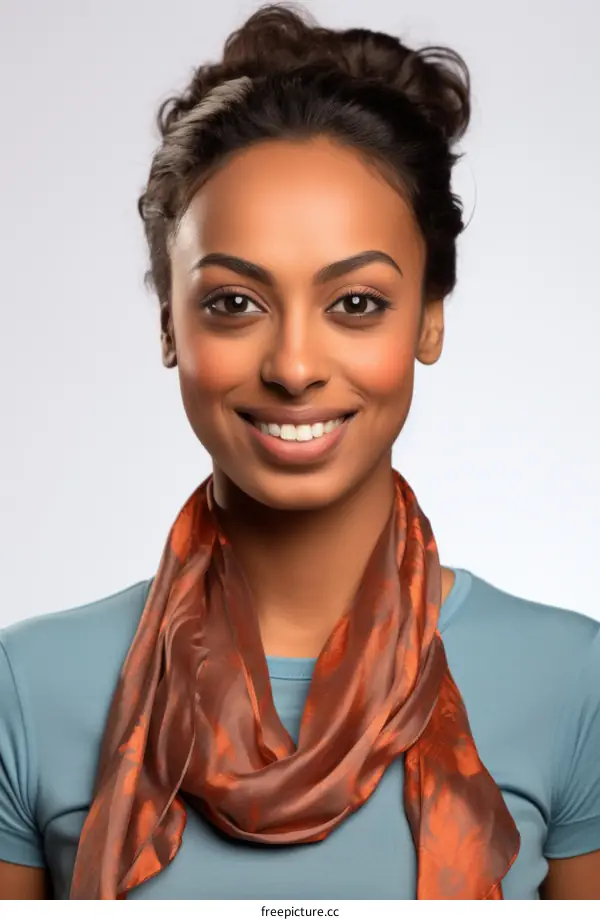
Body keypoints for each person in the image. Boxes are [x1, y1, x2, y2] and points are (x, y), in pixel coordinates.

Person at [1, 3, 599, 901]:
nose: (292, 367)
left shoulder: (572, 683)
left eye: (356, 303)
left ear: (429, 319)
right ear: (169, 325)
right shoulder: (27, 689)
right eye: (233, 303)